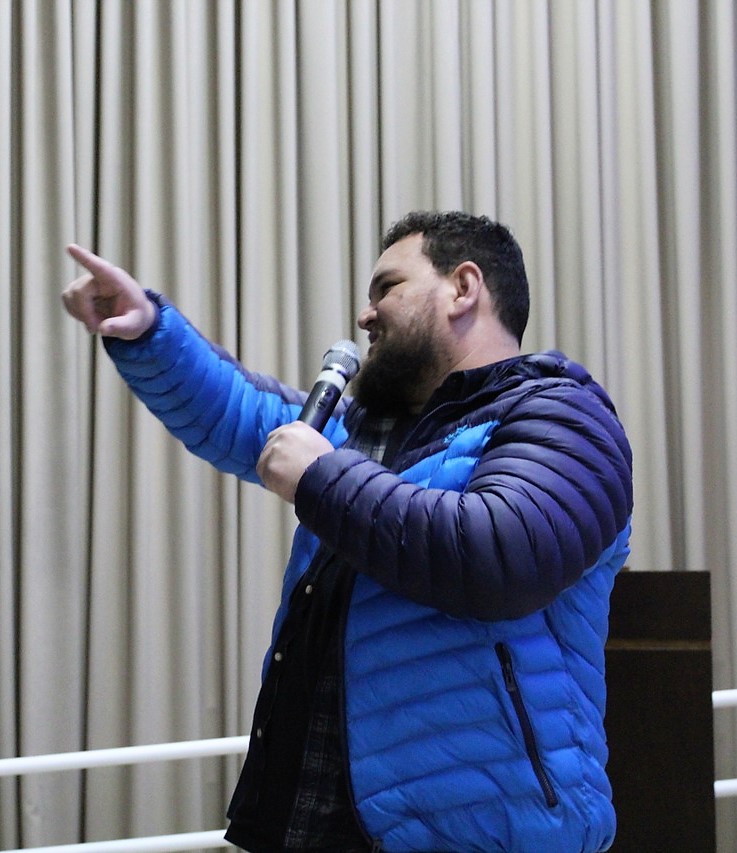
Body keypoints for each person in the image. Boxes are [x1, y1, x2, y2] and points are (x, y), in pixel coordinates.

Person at [62, 211, 633, 853]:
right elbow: (239, 411)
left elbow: (501, 557)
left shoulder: (562, 416)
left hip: (479, 836)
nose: (366, 315)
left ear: (463, 287)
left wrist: (321, 477)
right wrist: (149, 331)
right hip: (318, 822)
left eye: (388, 287)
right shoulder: (366, 432)